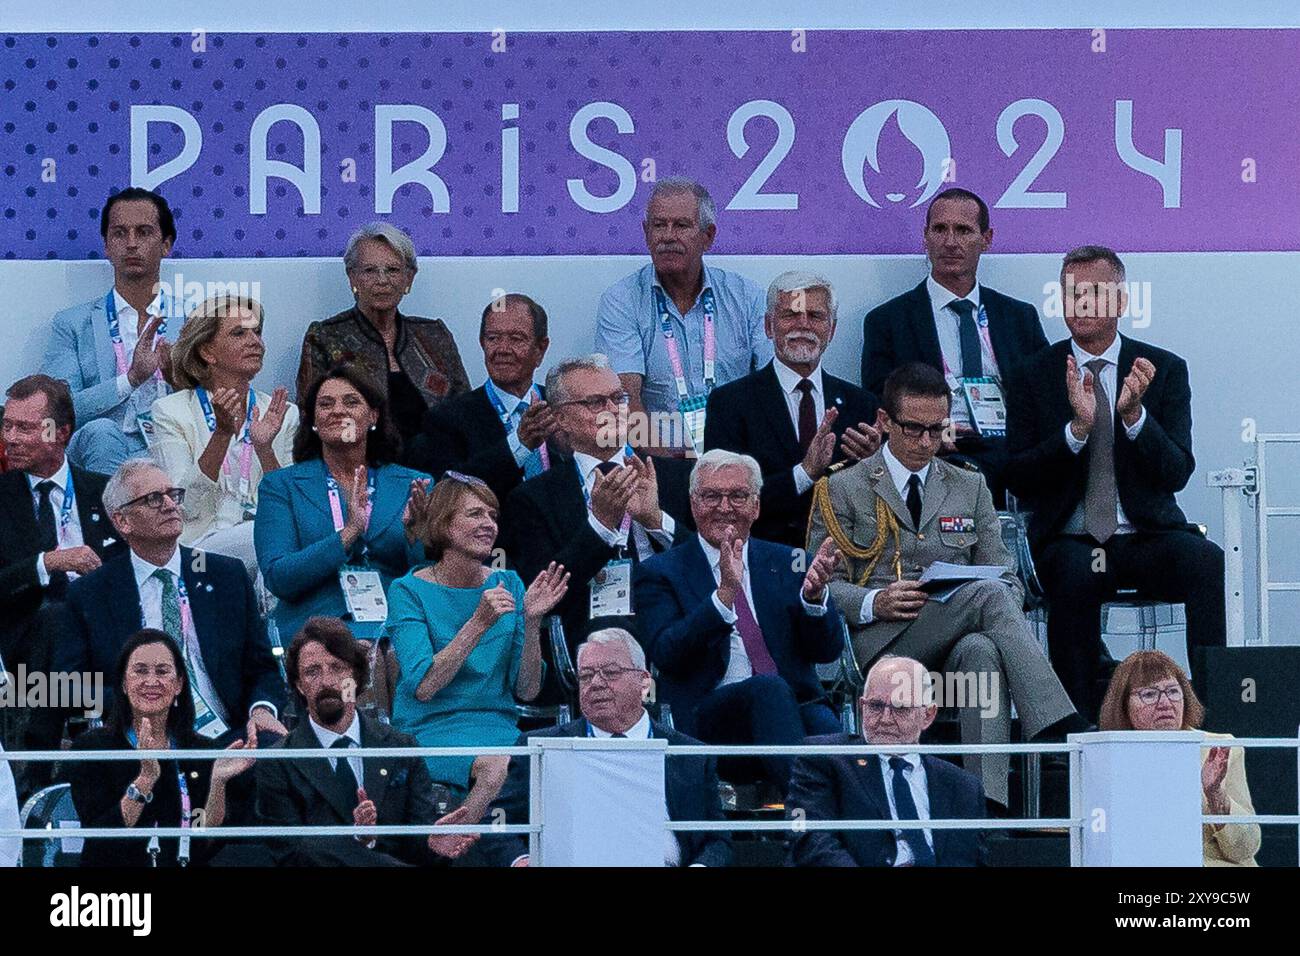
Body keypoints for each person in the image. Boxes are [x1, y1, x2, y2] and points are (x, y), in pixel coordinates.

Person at [806, 362, 1084, 807]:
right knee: (987, 596)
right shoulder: (844, 487)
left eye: (936, 430)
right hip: (882, 644)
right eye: (913, 429)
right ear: (884, 422)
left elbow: (1006, 577)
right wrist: (875, 601)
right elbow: (821, 586)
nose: (925, 442)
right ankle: (1056, 723)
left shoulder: (969, 485)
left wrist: (969, 597)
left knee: (983, 650)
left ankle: (984, 804)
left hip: (955, 637)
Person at [1005, 246, 1225, 719]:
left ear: (1121, 302)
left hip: (1146, 536)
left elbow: (1177, 473)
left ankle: (1212, 716)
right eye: (1072, 294)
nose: (1082, 304)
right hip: (1070, 538)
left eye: (1094, 293)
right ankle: (1078, 727)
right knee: (1076, 571)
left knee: (1206, 561)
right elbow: (1018, 474)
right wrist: (1076, 432)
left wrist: (1135, 417)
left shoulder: (1163, 369)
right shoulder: (1033, 375)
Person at [634, 450, 844, 791]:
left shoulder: (790, 561)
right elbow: (666, 653)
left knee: (836, 740)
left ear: (757, 506)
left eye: (737, 496)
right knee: (768, 688)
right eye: (711, 496)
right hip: (712, 715)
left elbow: (827, 651)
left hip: (796, 704)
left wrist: (814, 600)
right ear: (693, 503)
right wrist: (723, 598)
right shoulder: (661, 571)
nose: (724, 507)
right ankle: (807, 813)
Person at [58, 460, 287, 743]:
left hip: (229, 735)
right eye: (154, 499)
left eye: (173, 495)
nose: (170, 505)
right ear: (122, 521)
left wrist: (262, 709)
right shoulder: (91, 593)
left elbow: (262, 667)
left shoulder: (226, 575)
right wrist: (137, 705)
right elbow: (71, 685)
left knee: (270, 747)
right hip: (136, 736)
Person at [386, 474, 569, 819]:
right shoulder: (407, 591)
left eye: (492, 516)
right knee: (496, 767)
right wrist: (478, 623)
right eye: (475, 514)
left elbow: (527, 691)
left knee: (555, 766)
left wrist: (531, 622)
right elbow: (424, 686)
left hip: (500, 728)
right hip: (430, 729)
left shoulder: (509, 583)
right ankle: (459, 839)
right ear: (444, 524)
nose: (488, 524)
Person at [480, 628, 733, 867]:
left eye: (610, 672)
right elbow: (498, 817)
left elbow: (717, 839)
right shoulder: (543, 749)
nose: (596, 683)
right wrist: (520, 860)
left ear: (644, 682)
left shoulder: (690, 755)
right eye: (586, 675)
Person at [860, 188, 1048, 504]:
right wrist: (929, 431)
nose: (950, 242)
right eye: (940, 229)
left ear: (986, 238)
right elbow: (880, 401)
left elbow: (1043, 393)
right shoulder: (888, 321)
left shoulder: (1019, 317)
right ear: (925, 237)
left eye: (963, 230)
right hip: (933, 447)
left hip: (1010, 446)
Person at [499, 354, 694, 659]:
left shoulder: (673, 476)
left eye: (618, 398)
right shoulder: (533, 498)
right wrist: (600, 528)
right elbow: (543, 594)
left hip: (673, 632)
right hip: (587, 639)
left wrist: (656, 521)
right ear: (561, 418)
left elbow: (706, 566)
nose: (613, 410)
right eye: (596, 402)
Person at [0, 375, 126, 795]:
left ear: (62, 432)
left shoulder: (104, 493)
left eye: (24, 427)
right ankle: (36, 771)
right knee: (54, 620)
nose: (10, 438)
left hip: (100, 634)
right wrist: (46, 562)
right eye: (7, 425)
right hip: (19, 638)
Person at [257, 617, 457, 866]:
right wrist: (359, 839)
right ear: (299, 685)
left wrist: (432, 843)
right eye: (312, 672)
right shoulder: (277, 762)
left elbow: (417, 842)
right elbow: (291, 854)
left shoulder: (401, 748)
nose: (327, 681)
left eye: (337, 667)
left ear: (356, 676)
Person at [255, 366, 430, 642]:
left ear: (373, 415)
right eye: (325, 404)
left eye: (351, 401)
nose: (338, 410)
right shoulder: (281, 486)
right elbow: (279, 578)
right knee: (360, 654)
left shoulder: (414, 485)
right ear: (313, 421)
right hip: (314, 629)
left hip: (397, 623)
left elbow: (433, 577)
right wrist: (347, 534)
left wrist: (415, 539)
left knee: (396, 655)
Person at [704, 271, 880, 547]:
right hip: (765, 556)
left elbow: (877, 500)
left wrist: (875, 463)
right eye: (790, 315)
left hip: (845, 558)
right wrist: (805, 473)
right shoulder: (729, 403)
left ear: (832, 330)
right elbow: (726, 502)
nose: (803, 325)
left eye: (815, 316)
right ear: (768, 326)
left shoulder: (862, 404)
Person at [594, 178, 769, 453]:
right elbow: (625, 402)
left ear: (708, 236)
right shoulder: (622, 300)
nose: (667, 236)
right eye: (658, 225)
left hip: (741, 462)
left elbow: (773, 386)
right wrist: (670, 467)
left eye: (681, 225)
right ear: (645, 232)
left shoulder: (746, 297)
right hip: (661, 460)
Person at [65, 629, 258, 867]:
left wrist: (217, 782)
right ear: (124, 683)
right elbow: (103, 839)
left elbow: (203, 839)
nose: (152, 681)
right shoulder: (92, 748)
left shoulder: (200, 750)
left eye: (162, 671)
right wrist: (145, 779)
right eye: (140, 671)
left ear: (178, 684)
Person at [787, 656, 986, 867]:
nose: (885, 718)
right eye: (875, 706)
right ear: (862, 707)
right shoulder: (824, 759)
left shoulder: (963, 786)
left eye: (900, 709)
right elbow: (808, 836)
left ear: (927, 715)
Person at [43, 187, 189, 475]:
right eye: (120, 233)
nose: (131, 243)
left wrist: (180, 380)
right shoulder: (71, 324)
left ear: (166, 244)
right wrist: (131, 379)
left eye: (144, 232)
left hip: (170, 441)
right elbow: (59, 411)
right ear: (107, 245)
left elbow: (215, 405)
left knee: (179, 443)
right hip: (102, 445)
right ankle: (107, 520)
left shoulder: (192, 320)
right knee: (101, 432)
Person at [148, 293, 297, 575]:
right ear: (207, 352)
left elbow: (290, 505)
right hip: (199, 550)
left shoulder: (285, 413)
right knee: (267, 541)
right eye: (239, 333)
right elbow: (183, 506)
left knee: (275, 543)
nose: (255, 341)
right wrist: (222, 435)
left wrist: (265, 450)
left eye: (257, 332)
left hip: (265, 544)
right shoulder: (171, 411)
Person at [295, 222, 469, 447]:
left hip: (437, 466)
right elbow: (312, 420)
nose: (382, 280)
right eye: (370, 270)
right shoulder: (325, 338)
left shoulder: (435, 335)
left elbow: (466, 412)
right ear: (352, 277)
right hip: (361, 468)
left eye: (393, 270)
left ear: (409, 278)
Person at [1098, 650, 1259, 867]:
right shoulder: (1104, 755)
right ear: (1124, 704)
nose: (1165, 703)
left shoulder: (1218, 748)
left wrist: (1215, 795)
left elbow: (1245, 848)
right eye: (1149, 694)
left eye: (1173, 691)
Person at [407, 293, 559, 503]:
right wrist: (519, 446)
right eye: (493, 338)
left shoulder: (561, 406)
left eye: (516, 339)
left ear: (541, 348)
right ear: (482, 343)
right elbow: (450, 495)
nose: (503, 349)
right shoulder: (447, 419)